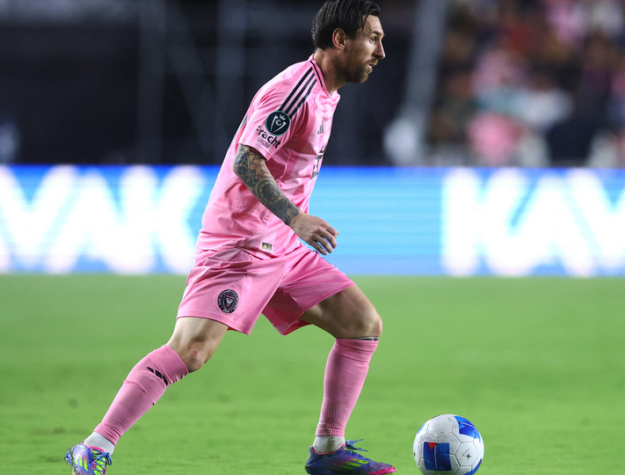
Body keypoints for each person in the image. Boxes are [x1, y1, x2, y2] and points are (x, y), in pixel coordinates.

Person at [64, 1, 393, 474]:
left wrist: (290, 226)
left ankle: (328, 451)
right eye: (373, 38)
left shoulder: (327, 93)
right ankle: (95, 445)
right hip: (242, 242)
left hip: (281, 244)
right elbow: (247, 160)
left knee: (362, 323)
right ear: (340, 40)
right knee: (191, 350)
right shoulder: (294, 90)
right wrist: (297, 219)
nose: (381, 51)